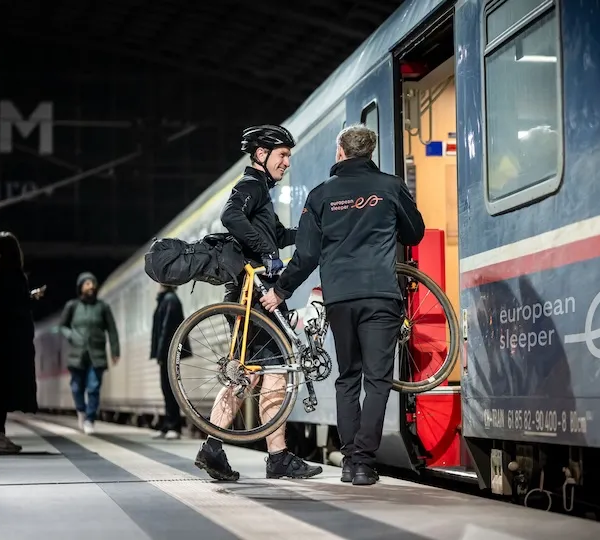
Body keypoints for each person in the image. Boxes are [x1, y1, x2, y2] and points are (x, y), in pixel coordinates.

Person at [261, 124, 425, 485]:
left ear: (340, 152)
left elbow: (305, 256)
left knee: (348, 377)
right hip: (380, 294)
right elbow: (415, 232)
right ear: (371, 152)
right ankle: (364, 464)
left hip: (340, 299)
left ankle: (350, 459)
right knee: (378, 380)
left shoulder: (321, 195)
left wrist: (281, 292)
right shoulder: (391, 186)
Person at [193, 124, 323, 482]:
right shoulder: (250, 186)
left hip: (251, 295)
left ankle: (216, 448)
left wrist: (313, 235)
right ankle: (274, 456)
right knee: (269, 371)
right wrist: (267, 252)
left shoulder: (261, 192)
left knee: (252, 373)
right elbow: (230, 216)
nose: (287, 163)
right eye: (282, 156)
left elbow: (277, 235)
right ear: (261, 155)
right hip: (251, 296)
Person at [0, 231, 42, 455]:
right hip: (9, 345)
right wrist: (29, 298)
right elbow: (13, 308)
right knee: (1, 392)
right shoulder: (14, 276)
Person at [59, 272, 120, 434]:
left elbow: (112, 330)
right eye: (87, 283)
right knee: (76, 387)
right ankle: (81, 411)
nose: (91, 286)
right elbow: (62, 326)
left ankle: (90, 419)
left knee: (93, 387)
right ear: (80, 287)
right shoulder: (72, 306)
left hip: (97, 354)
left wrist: (115, 351)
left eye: (93, 283)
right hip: (77, 354)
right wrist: (71, 335)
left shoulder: (103, 307)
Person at [150, 283, 190, 440]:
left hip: (168, 352)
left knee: (170, 389)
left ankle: (174, 426)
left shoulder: (170, 300)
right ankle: (168, 424)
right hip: (166, 352)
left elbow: (167, 330)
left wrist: (162, 353)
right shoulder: (165, 300)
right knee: (166, 389)